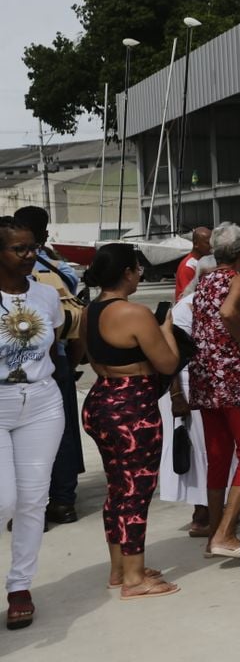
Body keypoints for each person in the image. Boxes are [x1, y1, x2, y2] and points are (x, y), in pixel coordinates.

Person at [80, 242, 181, 600]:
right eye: (138, 269)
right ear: (126, 273)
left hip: (100, 399)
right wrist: (166, 327)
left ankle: (119, 568)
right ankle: (135, 578)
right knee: (137, 490)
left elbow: (91, 359)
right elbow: (168, 363)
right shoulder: (134, 313)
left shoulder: (90, 311)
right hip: (131, 407)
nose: (140, 274)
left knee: (117, 488)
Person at [0, 217, 68, 629]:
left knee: (33, 501)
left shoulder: (46, 295)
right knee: (5, 500)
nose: (30, 256)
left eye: (32, 248)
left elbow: (59, 345)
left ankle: (19, 586)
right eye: (19, 249)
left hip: (42, 403)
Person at [13, 206, 84, 527]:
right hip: (57, 357)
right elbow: (77, 310)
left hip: (15, 366)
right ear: (44, 234)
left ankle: (32, 508)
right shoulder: (59, 269)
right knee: (63, 429)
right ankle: (64, 502)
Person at [190, 221, 240, 559]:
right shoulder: (238, 280)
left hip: (204, 379)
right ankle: (227, 532)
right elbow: (230, 314)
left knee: (218, 457)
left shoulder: (204, 282)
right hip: (232, 378)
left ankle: (214, 532)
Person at [158, 259, 213, 536]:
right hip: (187, 388)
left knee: (211, 452)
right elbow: (172, 356)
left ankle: (215, 508)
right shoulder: (184, 308)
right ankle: (202, 513)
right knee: (197, 453)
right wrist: (177, 395)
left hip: (212, 387)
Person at [174, 226, 212, 301]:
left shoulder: (202, 262)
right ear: (196, 244)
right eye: (207, 243)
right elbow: (186, 296)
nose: (211, 246)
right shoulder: (188, 266)